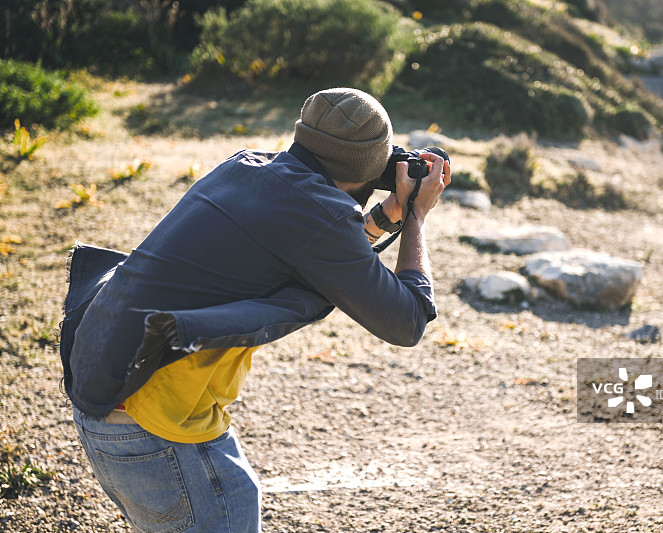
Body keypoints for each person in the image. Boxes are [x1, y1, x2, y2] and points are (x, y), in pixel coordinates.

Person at [59, 87, 450, 532]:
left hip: (106, 394)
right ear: (368, 167)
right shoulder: (317, 217)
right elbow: (408, 320)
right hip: (155, 426)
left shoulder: (247, 167)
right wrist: (416, 213)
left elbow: (321, 251)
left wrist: (388, 210)